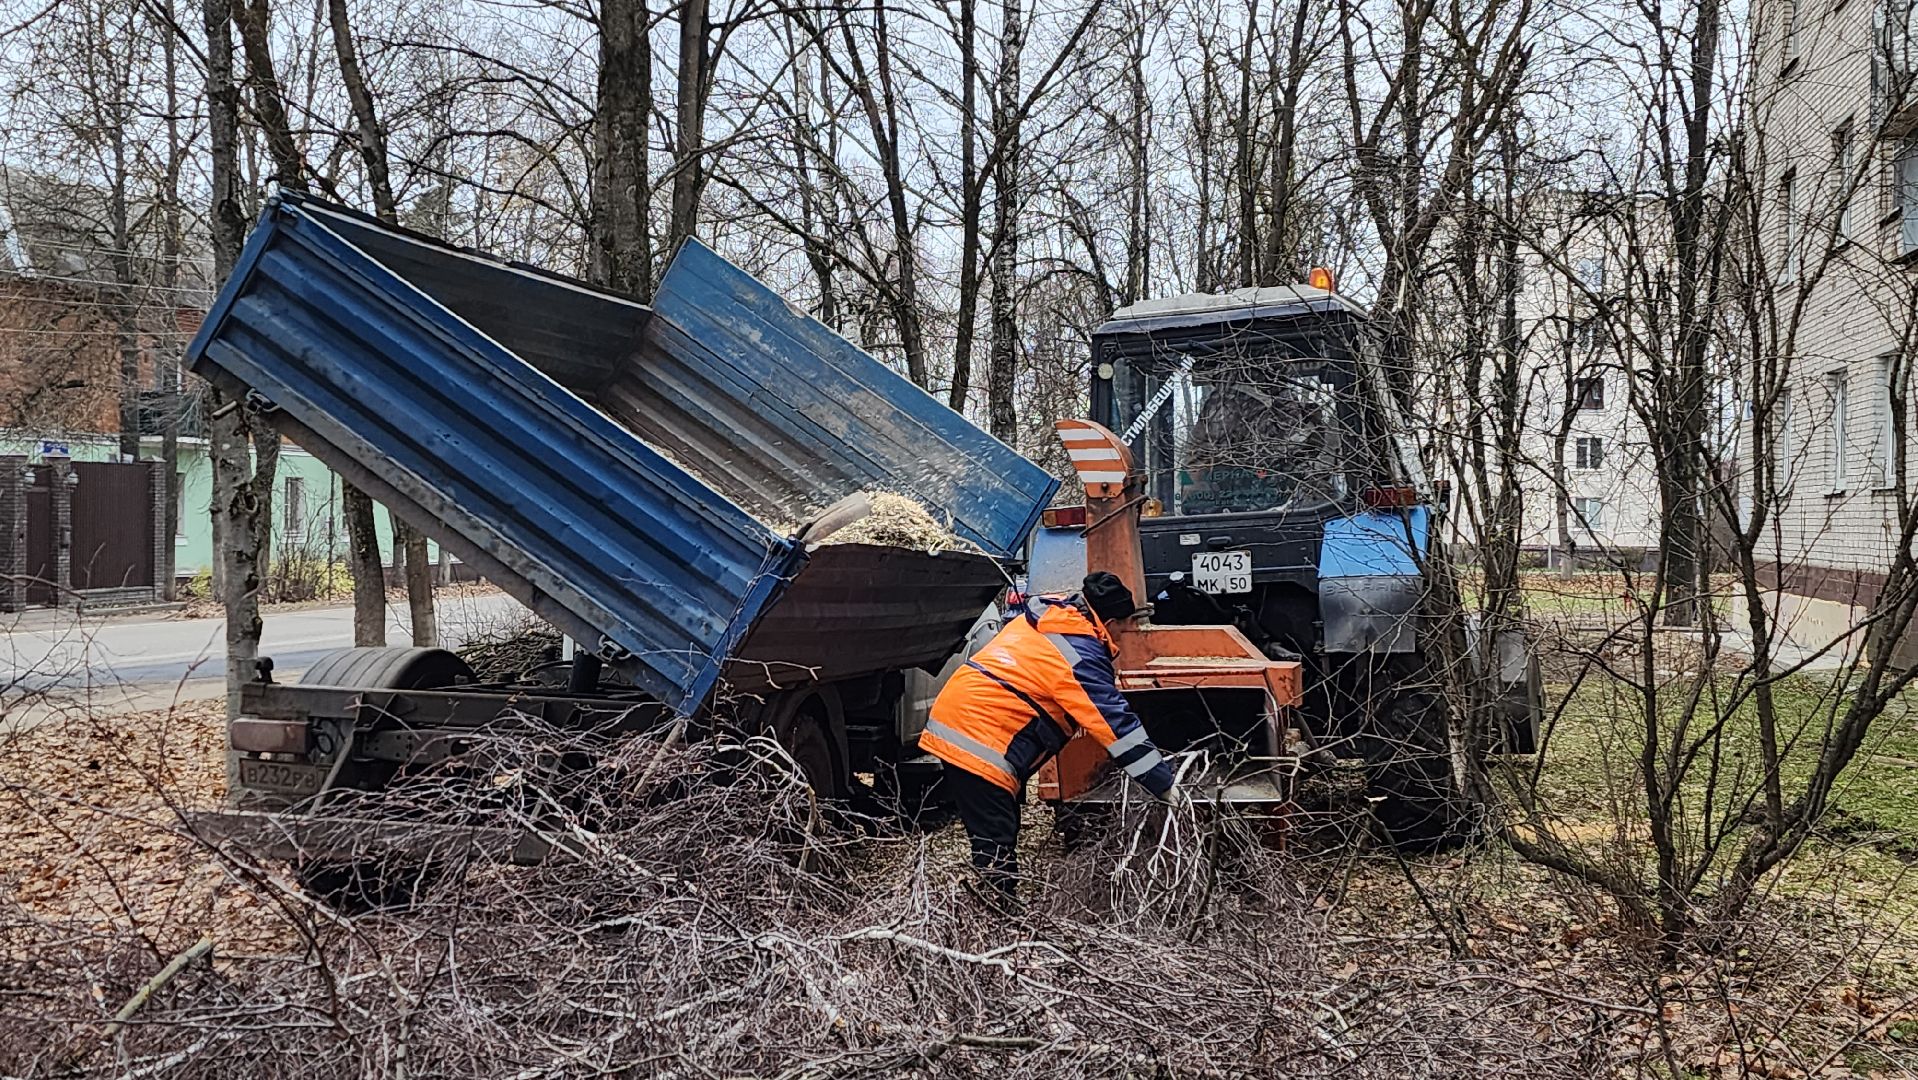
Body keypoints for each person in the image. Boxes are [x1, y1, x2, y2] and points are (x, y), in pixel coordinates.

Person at [922, 571, 1179, 899]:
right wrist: (1164, 785)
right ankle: (994, 914)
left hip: (967, 719)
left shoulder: (1055, 623)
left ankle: (996, 903)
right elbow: (1118, 727)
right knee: (995, 836)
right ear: (1110, 620)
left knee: (1000, 826)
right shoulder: (1079, 654)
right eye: (1125, 627)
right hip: (977, 734)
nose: (1124, 635)